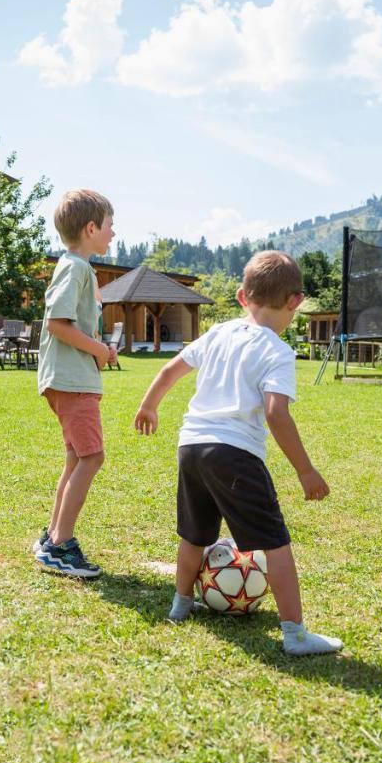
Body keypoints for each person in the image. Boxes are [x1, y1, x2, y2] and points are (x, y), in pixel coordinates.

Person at [134, 250, 342, 656]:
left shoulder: (220, 332)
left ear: (242, 296)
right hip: (235, 454)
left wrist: (149, 405)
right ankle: (296, 635)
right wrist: (305, 470)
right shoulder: (279, 352)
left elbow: (170, 369)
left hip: (191, 446)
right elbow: (276, 412)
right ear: (295, 301)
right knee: (275, 543)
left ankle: (180, 606)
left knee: (194, 534)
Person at [32, 188, 118, 578]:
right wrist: (100, 350)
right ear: (90, 228)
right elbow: (57, 323)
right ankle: (61, 545)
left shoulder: (78, 267)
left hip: (69, 379)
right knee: (91, 458)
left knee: (76, 458)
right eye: (110, 226)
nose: (113, 234)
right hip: (73, 381)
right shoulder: (76, 268)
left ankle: (53, 538)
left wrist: (98, 350)